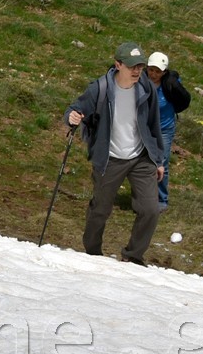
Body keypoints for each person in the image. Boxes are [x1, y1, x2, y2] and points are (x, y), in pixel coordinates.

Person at [64, 41, 165, 266]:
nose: (137, 70)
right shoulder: (100, 89)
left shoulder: (146, 88)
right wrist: (72, 118)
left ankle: (133, 256)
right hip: (110, 157)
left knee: (150, 209)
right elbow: (74, 109)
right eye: (132, 66)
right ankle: (92, 253)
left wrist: (158, 160)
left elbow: (153, 125)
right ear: (118, 64)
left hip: (141, 157)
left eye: (140, 65)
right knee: (100, 209)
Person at [144, 51, 192, 210]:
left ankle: (161, 200)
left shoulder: (171, 84)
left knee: (161, 162)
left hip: (164, 129)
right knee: (141, 162)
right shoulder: (141, 80)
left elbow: (184, 100)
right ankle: (143, 197)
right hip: (144, 128)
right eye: (151, 69)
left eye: (158, 71)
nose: (153, 74)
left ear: (164, 72)